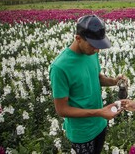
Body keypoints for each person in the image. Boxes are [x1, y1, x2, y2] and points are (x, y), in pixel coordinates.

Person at [49, 15, 126, 154]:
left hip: (100, 124)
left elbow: (96, 78)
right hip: (82, 134)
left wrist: (114, 81)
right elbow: (62, 110)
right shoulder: (60, 67)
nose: (97, 50)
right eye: (93, 46)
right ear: (78, 38)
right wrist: (99, 112)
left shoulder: (91, 53)